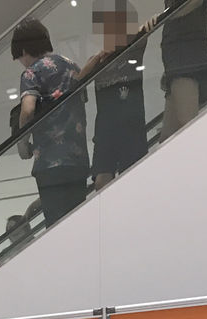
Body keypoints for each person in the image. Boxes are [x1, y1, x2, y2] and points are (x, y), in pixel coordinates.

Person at [11, 18, 90, 228]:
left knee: (56, 227)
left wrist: (22, 143)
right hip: (78, 160)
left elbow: (28, 110)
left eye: (19, 57)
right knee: (77, 224)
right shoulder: (72, 65)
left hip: (49, 163)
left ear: (24, 50)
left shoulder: (32, 72)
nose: (22, 62)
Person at [81, 3, 148, 190]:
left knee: (131, 181)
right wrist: (98, 57)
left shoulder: (133, 48)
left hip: (131, 128)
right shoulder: (99, 60)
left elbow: (142, 32)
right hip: (105, 132)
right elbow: (78, 81)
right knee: (101, 182)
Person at [155, 0, 207, 141]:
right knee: (172, 132)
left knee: (185, 126)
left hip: (186, 54)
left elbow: (189, 5)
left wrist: (164, 17)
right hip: (179, 54)